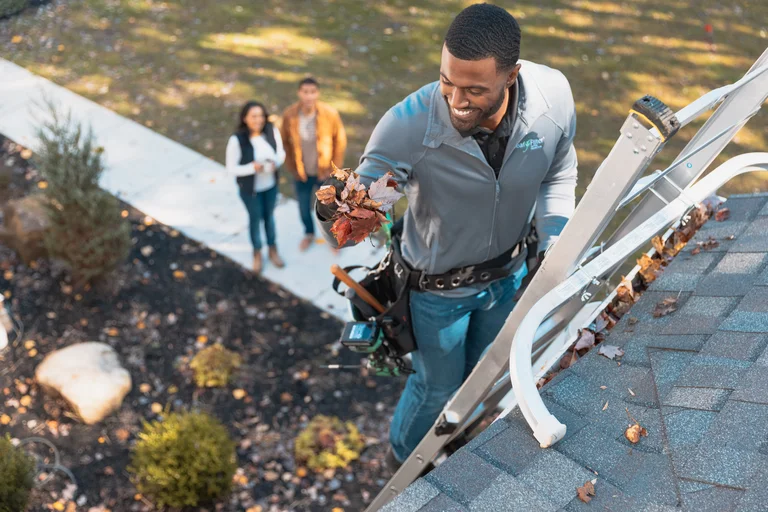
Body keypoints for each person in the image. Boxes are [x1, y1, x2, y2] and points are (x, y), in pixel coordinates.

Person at [315, 3, 578, 467]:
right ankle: (404, 462)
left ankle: (454, 443)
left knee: (483, 374)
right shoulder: (407, 126)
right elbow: (362, 210)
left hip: (512, 279)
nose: (455, 101)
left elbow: (558, 172)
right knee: (437, 385)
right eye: (446, 82)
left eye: (475, 90)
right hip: (437, 297)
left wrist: (553, 240)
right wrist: (335, 210)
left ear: (511, 75)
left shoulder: (553, 99)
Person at [280, 77, 347, 252]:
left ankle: (333, 238)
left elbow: (339, 142)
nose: (308, 96)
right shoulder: (290, 115)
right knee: (303, 207)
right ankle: (309, 233)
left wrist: (334, 170)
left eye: (312, 92)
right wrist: (292, 168)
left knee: (329, 209)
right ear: (299, 93)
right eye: (305, 92)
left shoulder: (329, 114)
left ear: (317, 93)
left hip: (324, 173)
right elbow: (284, 142)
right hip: (301, 174)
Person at [226, 101, 286, 274]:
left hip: (270, 186)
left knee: (269, 218)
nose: (258, 120)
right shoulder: (237, 140)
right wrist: (252, 168)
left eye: (261, 115)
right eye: (253, 116)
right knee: (255, 219)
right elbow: (231, 168)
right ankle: (257, 252)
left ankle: (272, 249)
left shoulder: (271, 130)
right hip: (250, 191)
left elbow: (281, 152)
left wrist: (276, 162)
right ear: (245, 118)